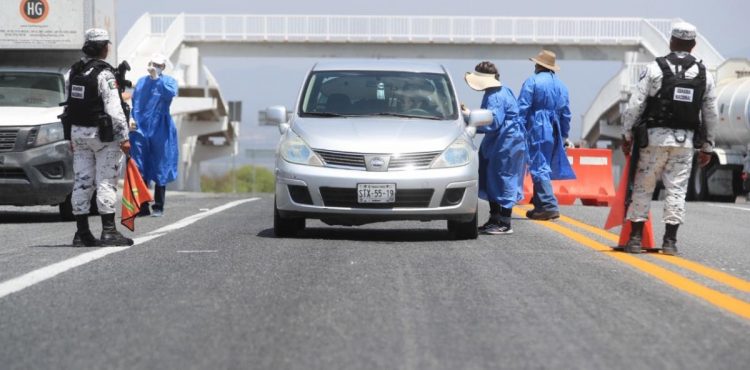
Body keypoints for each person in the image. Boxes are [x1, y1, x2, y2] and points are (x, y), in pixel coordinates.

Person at [621, 22, 718, 255]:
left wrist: (626, 133)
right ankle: (670, 242)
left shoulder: (654, 68)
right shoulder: (704, 74)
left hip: (653, 140)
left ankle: (635, 240)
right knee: (677, 190)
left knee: (643, 188)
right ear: (693, 45)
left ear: (671, 41)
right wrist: (708, 146)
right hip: (685, 143)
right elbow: (710, 113)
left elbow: (636, 104)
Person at [64, 29, 133, 247]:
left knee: (82, 181)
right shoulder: (105, 74)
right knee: (106, 181)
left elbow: (69, 104)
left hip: (78, 134)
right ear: (103, 47)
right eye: (107, 45)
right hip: (103, 136)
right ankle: (109, 231)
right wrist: (124, 137)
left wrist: (70, 137)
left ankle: (81, 233)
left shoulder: (73, 71)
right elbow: (114, 109)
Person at [463, 61, 527, 234]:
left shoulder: (494, 96)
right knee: (495, 177)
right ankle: (495, 219)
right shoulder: (503, 90)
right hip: (506, 140)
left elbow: (493, 122)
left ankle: (505, 222)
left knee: (503, 178)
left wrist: (469, 118)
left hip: (505, 141)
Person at [517, 50, 576, 220]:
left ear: (538, 65)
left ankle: (549, 205)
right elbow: (566, 113)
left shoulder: (532, 81)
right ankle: (540, 206)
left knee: (539, 165)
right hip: (554, 127)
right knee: (543, 165)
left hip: (537, 126)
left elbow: (522, 108)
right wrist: (563, 135)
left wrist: (518, 130)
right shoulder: (562, 86)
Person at [130, 54, 179, 217]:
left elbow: (169, 94)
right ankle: (142, 205)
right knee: (140, 165)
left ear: (163, 67)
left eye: (157, 64)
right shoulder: (142, 82)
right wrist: (131, 118)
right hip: (141, 127)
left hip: (161, 127)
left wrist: (157, 78)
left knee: (160, 165)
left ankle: (158, 206)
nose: (154, 66)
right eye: (152, 63)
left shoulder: (169, 81)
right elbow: (135, 102)